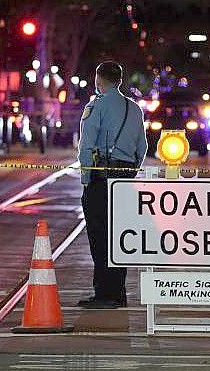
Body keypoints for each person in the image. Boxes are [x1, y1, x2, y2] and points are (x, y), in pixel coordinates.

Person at [77, 61, 147, 309]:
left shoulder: (96, 106)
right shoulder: (134, 109)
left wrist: (87, 179)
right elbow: (143, 147)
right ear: (119, 80)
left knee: (99, 235)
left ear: (98, 80)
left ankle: (105, 293)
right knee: (119, 236)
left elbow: (86, 146)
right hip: (125, 178)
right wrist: (131, 172)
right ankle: (118, 292)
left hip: (101, 177)